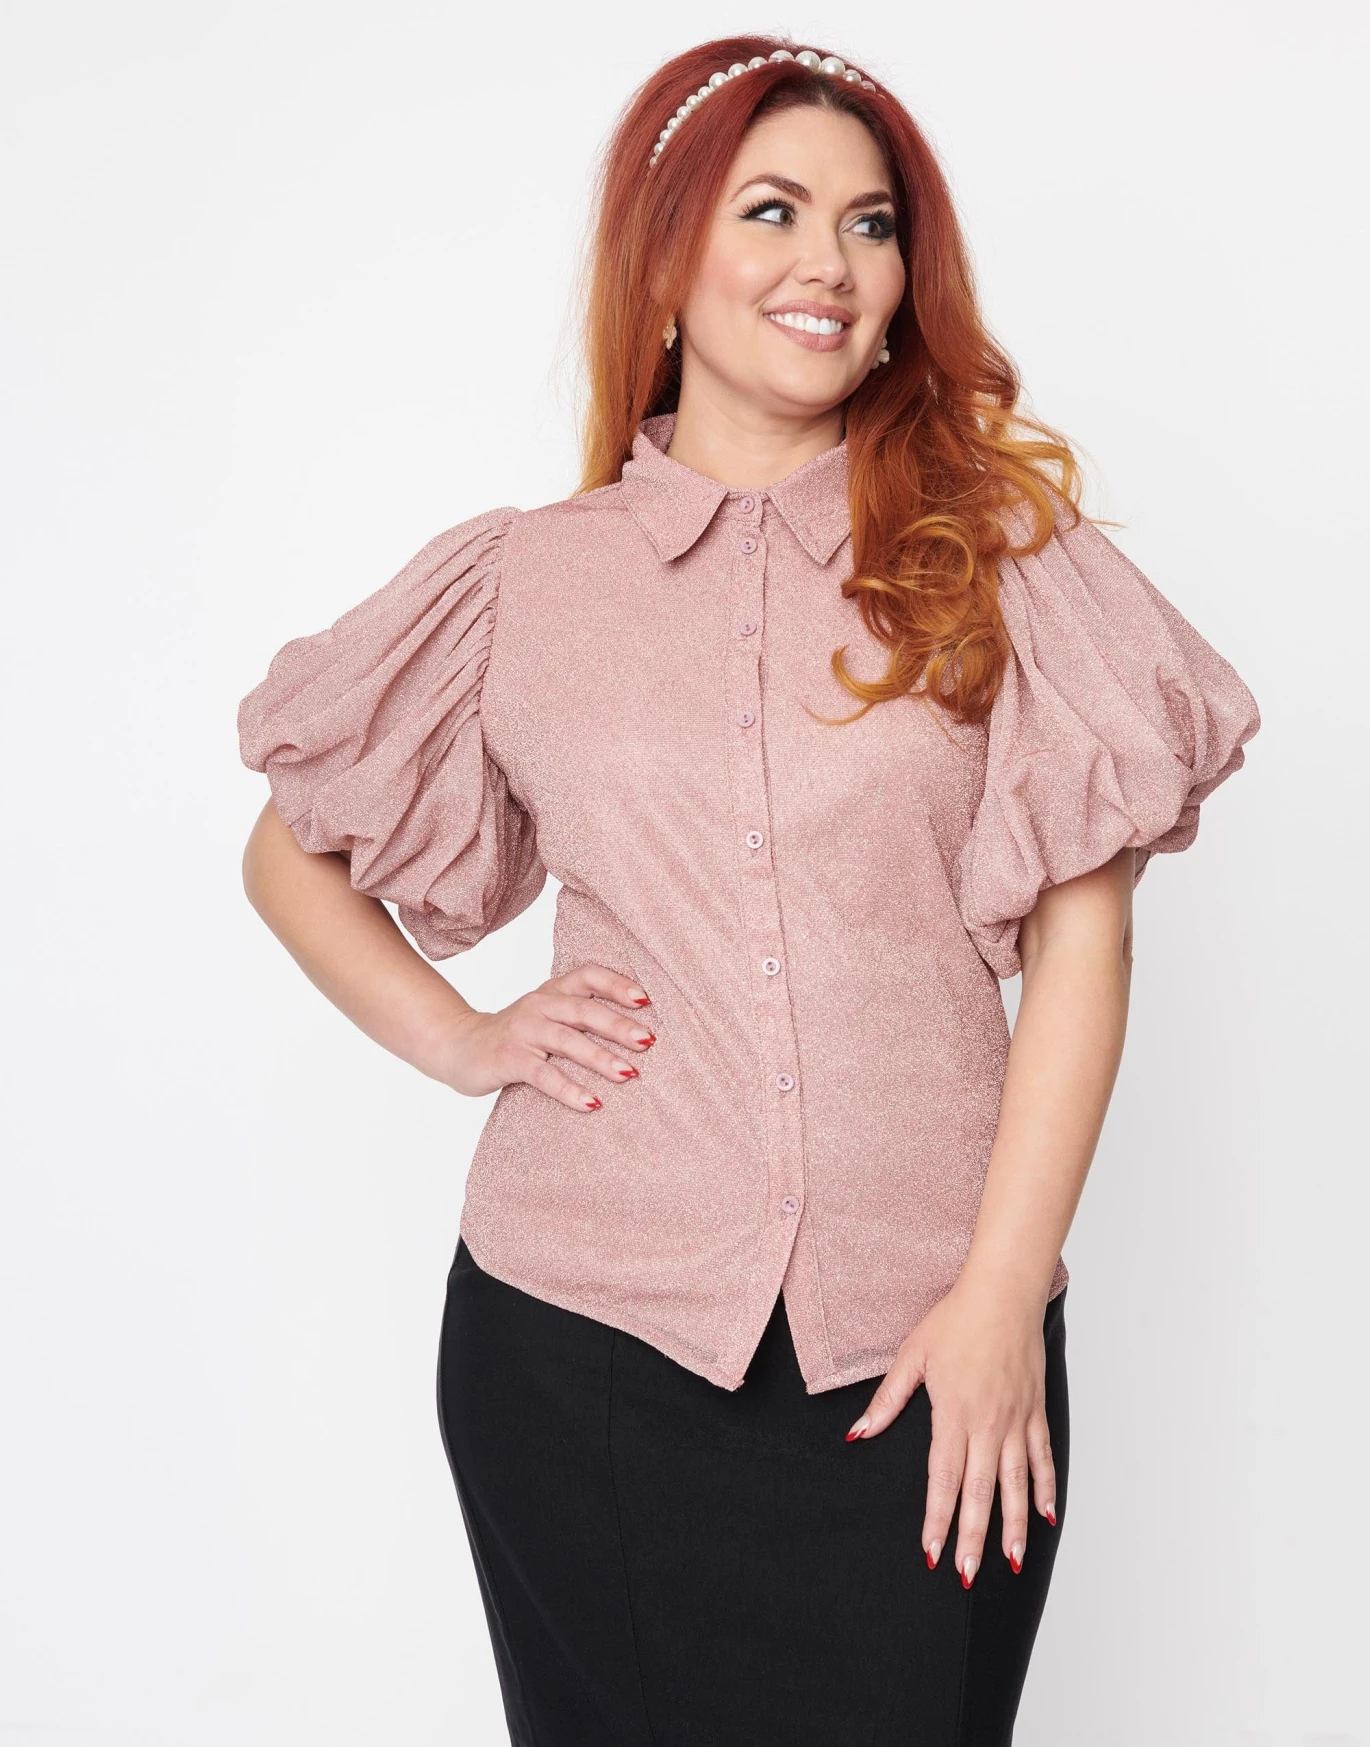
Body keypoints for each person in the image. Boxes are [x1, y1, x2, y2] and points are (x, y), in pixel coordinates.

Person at [237, 35, 1260, 1747]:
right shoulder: (525, 585)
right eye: (772, 210)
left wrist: (1002, 1295)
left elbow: (1086, 938)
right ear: (664, 261)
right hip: (579, 1350)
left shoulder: (998, 562)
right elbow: (289, 852)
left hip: (926, 1348)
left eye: (871, 225)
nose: (829, 264)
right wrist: (467, 1037)